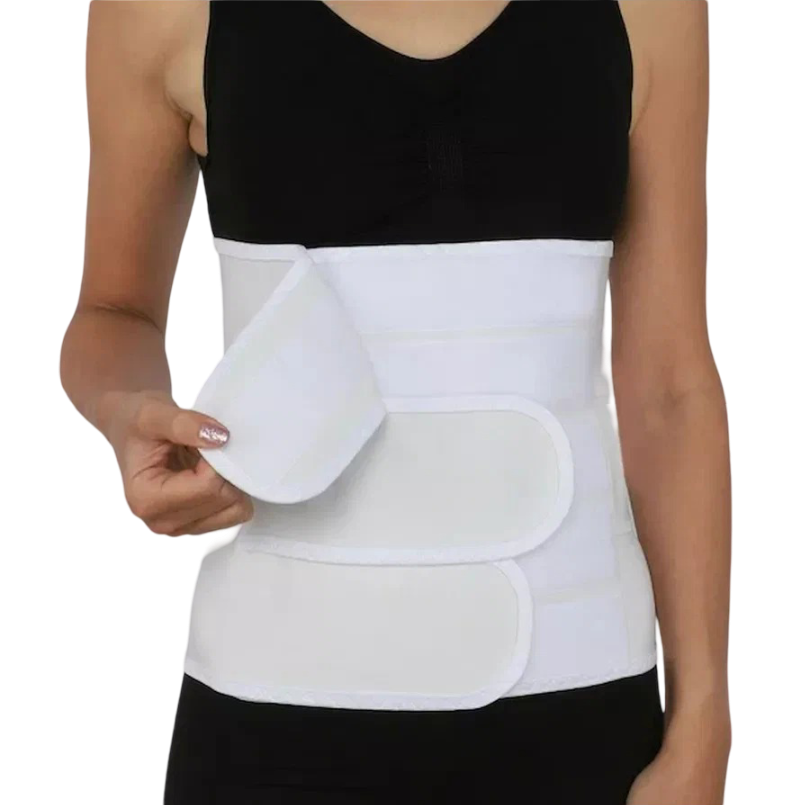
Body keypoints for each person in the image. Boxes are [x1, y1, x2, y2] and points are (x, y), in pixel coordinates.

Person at [68, 1, 729, 803]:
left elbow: (668, 386)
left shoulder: (650, 10)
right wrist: (130, 410)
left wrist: (704, 717)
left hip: (581, 701)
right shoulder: (161, 11)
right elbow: (113, 312)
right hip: (272, 716)